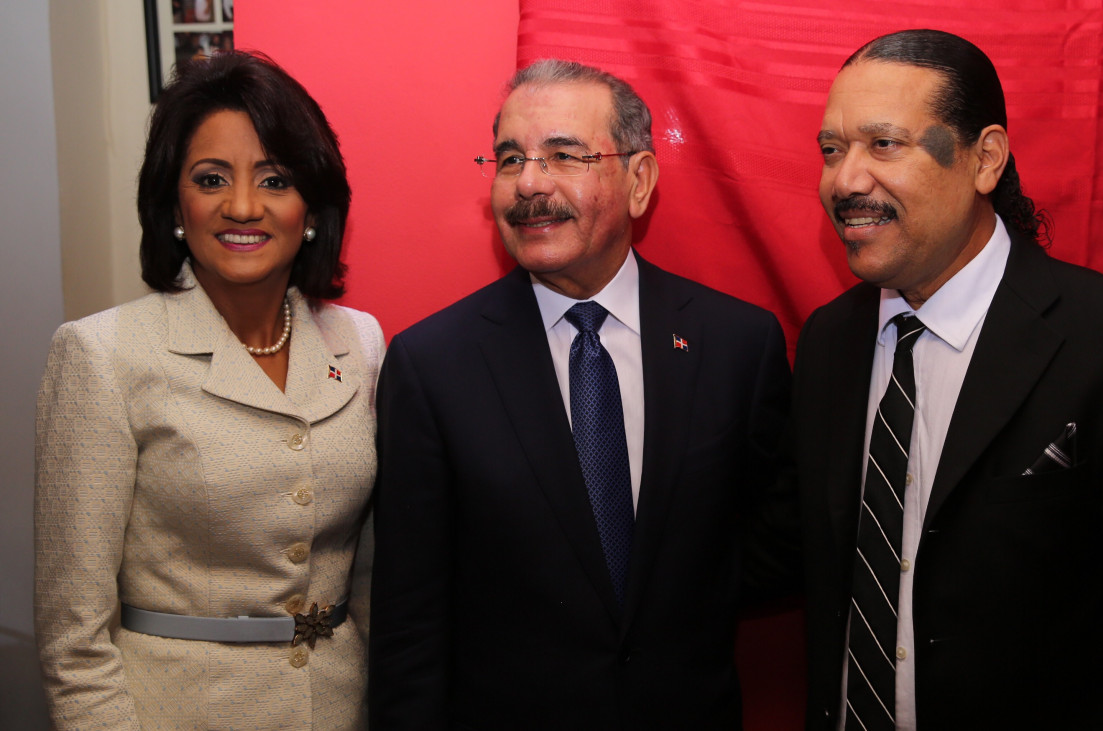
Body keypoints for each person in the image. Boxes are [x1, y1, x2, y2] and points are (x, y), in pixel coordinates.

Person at [796, 29, 1103, 731]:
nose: (846, 181)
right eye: (832, 150)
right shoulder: (830, 341)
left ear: (985, 159)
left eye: (884, 144)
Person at [369, 59, 791, 730]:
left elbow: (776, 539)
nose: (528, 184)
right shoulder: (432, 364)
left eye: (564, 156)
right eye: (511, 159)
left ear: (639, 181)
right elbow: (408, 617)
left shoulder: (737, 344)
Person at [34, 51, 383, 729]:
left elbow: (369, 572)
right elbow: (73, 641)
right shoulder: (101, 353)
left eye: (275, 179)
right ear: (174, 204)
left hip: (340, 708)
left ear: (312, 207)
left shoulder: (361, 342)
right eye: (211, 178)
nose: (243, 206)